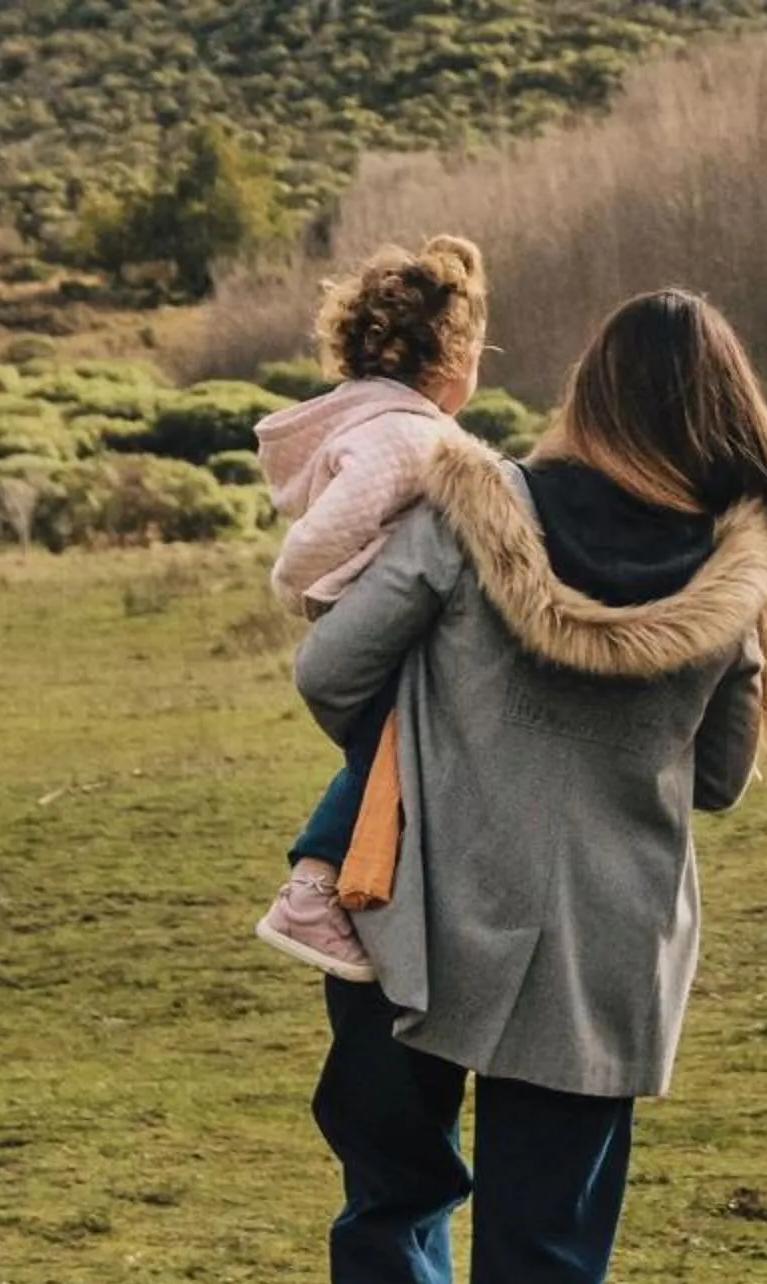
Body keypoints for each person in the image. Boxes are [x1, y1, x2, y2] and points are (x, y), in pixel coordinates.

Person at [290, 288, 767, 1284]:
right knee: (547, 1266)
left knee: (391, 1198)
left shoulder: (462, 513)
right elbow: (716, 781)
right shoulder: (740, 575)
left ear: (591, 391)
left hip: (418, 917)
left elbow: (329, 672)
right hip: (604, 954)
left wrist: (442, 728)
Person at [254, 235, 492, 984]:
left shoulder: (383, 424)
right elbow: (328, 529)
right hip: (375, 618)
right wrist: (297, 579)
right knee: (393, 742)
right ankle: (311, 889)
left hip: (368, 611)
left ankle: (345, 879)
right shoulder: (407, 437)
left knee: (388, 753)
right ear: (453, 361)